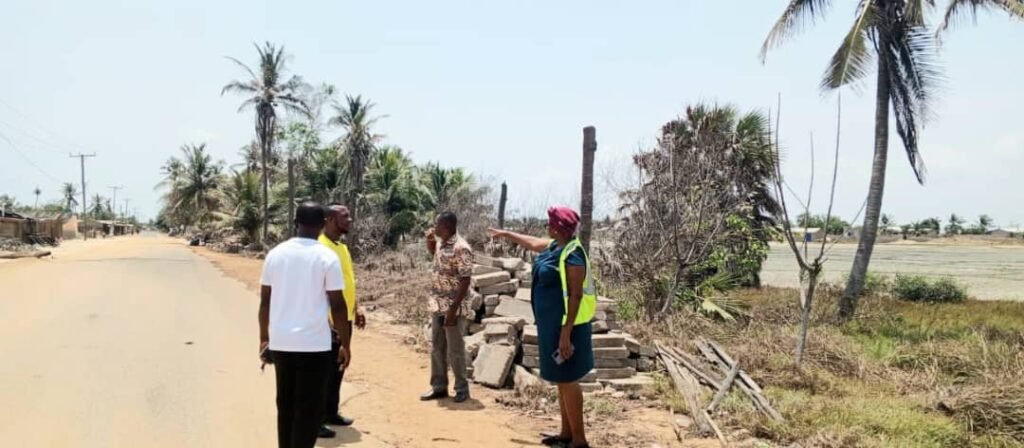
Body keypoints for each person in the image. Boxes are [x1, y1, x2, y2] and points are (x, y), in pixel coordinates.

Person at [489, 206, 595, 448]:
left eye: (550, 223)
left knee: (569, 379)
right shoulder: (556, 246)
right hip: (552, 326)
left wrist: (566, 334)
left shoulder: (573, 255)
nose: (546, 226)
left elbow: (576, 296)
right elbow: (533, 242)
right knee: (561, 378)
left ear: (557, 227)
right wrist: (506, 233)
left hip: (568, 327)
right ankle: (565, 434)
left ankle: (579, 440)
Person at [259, 202, 350, 448]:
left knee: (285, 405)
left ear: (295, 222)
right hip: (314, 347)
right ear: (322, 224)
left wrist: (263, 339)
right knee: (308, 410)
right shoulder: (327, 257)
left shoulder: (275, 254)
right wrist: (345, 344)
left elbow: (265, 302)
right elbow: (338, 306)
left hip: (282, 343)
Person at [316, 204, 367, 438]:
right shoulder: (320, 247)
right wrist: (328, 321)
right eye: (344, 216)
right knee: (322, 373)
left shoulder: (342, 249)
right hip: (326, 321)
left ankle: (330, 412)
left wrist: (356, 308)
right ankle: (314, 421)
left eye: (349, 215)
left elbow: (348, 282)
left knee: (338, 367)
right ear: (328, 219)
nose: (350, 219)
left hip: (344, 318)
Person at [421, 211, 474, 404]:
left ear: (449, 227)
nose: (435, 228)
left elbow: (465, 279)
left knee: (455, 350)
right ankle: (439, 387)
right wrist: (430, 243)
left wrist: (452, 309)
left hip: (454, 307)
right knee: (437, 347)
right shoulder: (442, 243)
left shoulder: (462, 248)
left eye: (438, 225)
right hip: (437, 304)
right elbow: (437, 255)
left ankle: (461, 388)